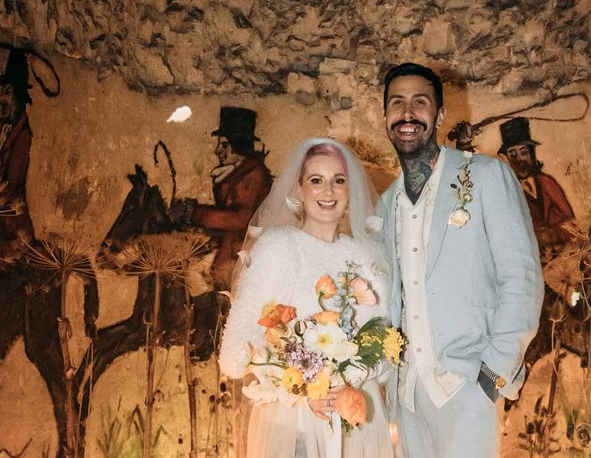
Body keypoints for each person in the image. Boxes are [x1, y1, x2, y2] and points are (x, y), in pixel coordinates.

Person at [377, 62, 544, 458]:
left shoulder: (486, 176)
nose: (407, 113)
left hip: (469, 384)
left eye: (420, 102)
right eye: (397, 103)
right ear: (384, 116)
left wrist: (493, 372)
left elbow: (521, 277)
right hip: (408, 396)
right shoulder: (385, 205)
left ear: (440, 115)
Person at [218, 138, 394, 458]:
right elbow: (234, 353)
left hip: (355, 429)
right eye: (316, 181)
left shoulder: (367, 259)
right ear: (299, 190)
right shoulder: (277, 248)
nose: (328, 191)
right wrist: (301, 388)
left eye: (338, 181)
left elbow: (383, 356)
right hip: (292, 428)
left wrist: (347, 379)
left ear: (350, 190)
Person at [175, 107, 273, 288]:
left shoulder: (253, 175)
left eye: (224, 145)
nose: (217, 150)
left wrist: (194, 213)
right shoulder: (236, 173)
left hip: (243, 253)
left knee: (195, 278)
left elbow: (239, 219)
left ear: (238, 146)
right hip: (232, 245)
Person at [498, 117, 575, 257]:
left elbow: (571, 223)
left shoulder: (547, 183)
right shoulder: (507, 191)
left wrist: (554, 234)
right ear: (507, 158)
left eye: (523, 152)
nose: (519, 160)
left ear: (532, 154)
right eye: (513, 154)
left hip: (564, 255)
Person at [0, 47, 34, 263]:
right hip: (13, 210)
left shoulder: (22, 135)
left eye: (7, 93)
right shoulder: (15, 134)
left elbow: (9, 184)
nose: (2, 100)